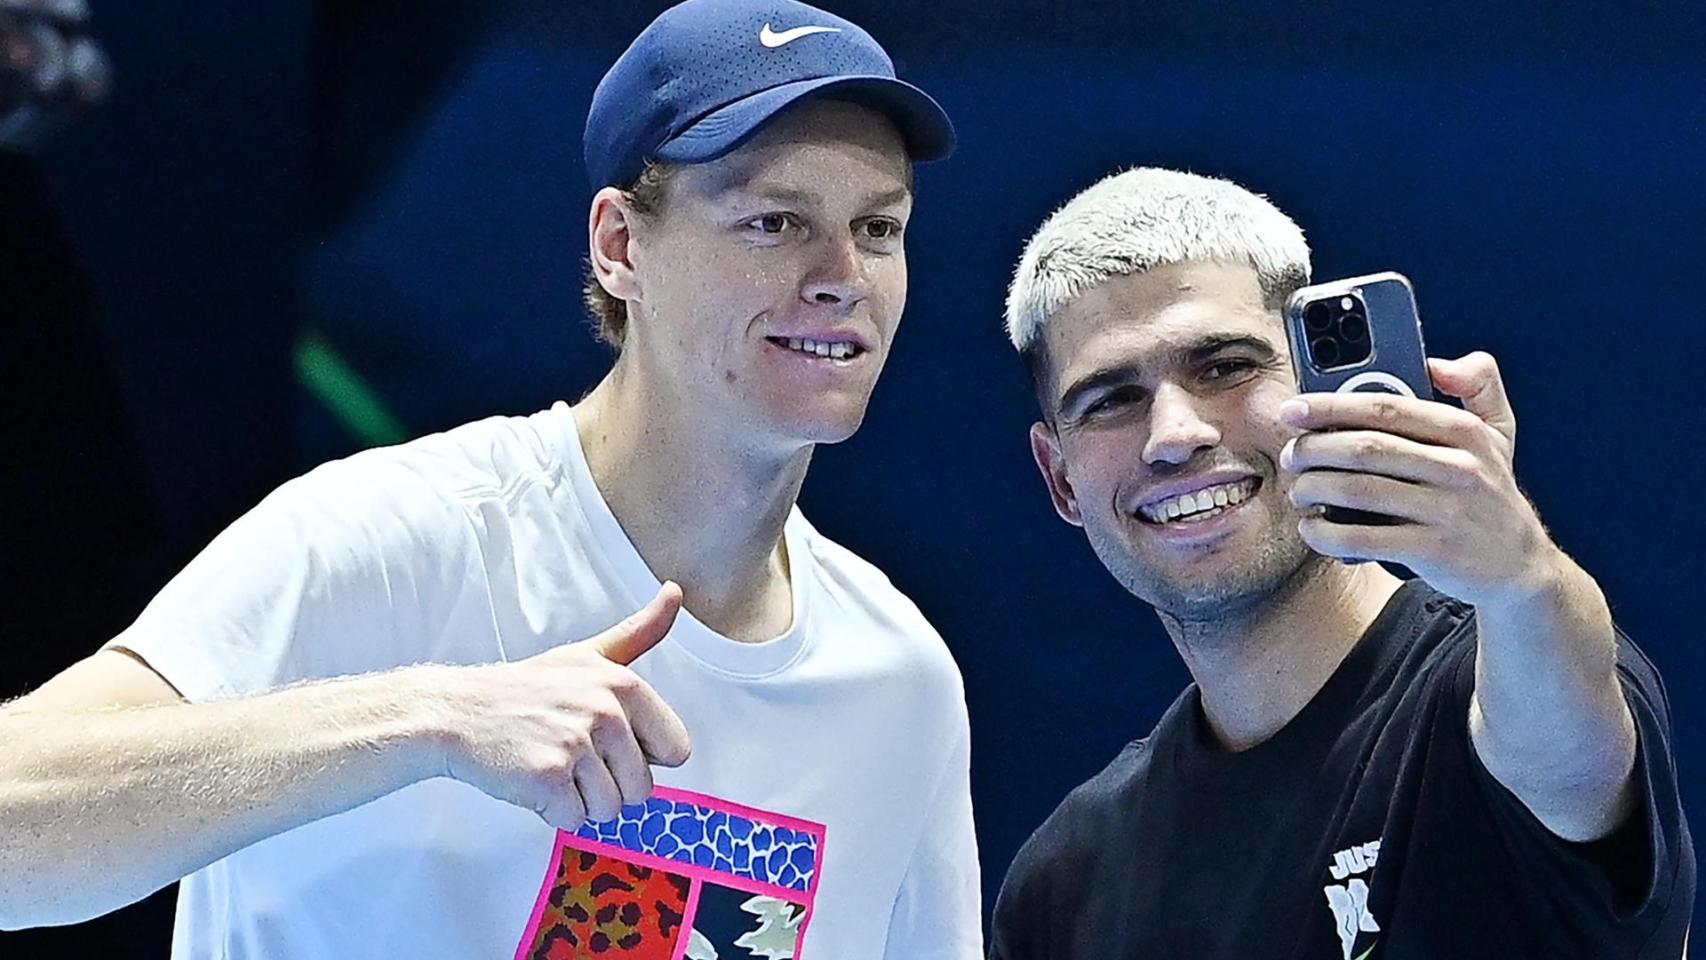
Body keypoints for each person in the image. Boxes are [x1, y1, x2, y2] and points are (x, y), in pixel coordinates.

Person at [0, 1, 983, 956]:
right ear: (620, 246)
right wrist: (432, 720)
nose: (842, 274)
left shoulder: (900, 681)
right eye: (773, 222)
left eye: (878, 227)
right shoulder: (382, 539)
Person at [986, 167, 1692, 958]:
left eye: (1224, 366)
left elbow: (1573, 758)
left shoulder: (1497, 687)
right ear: (1059, 478)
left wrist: (1523, 579)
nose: (1175, 434)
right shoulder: (1063, 889)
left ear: (1327, 389)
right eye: (1111, 399)